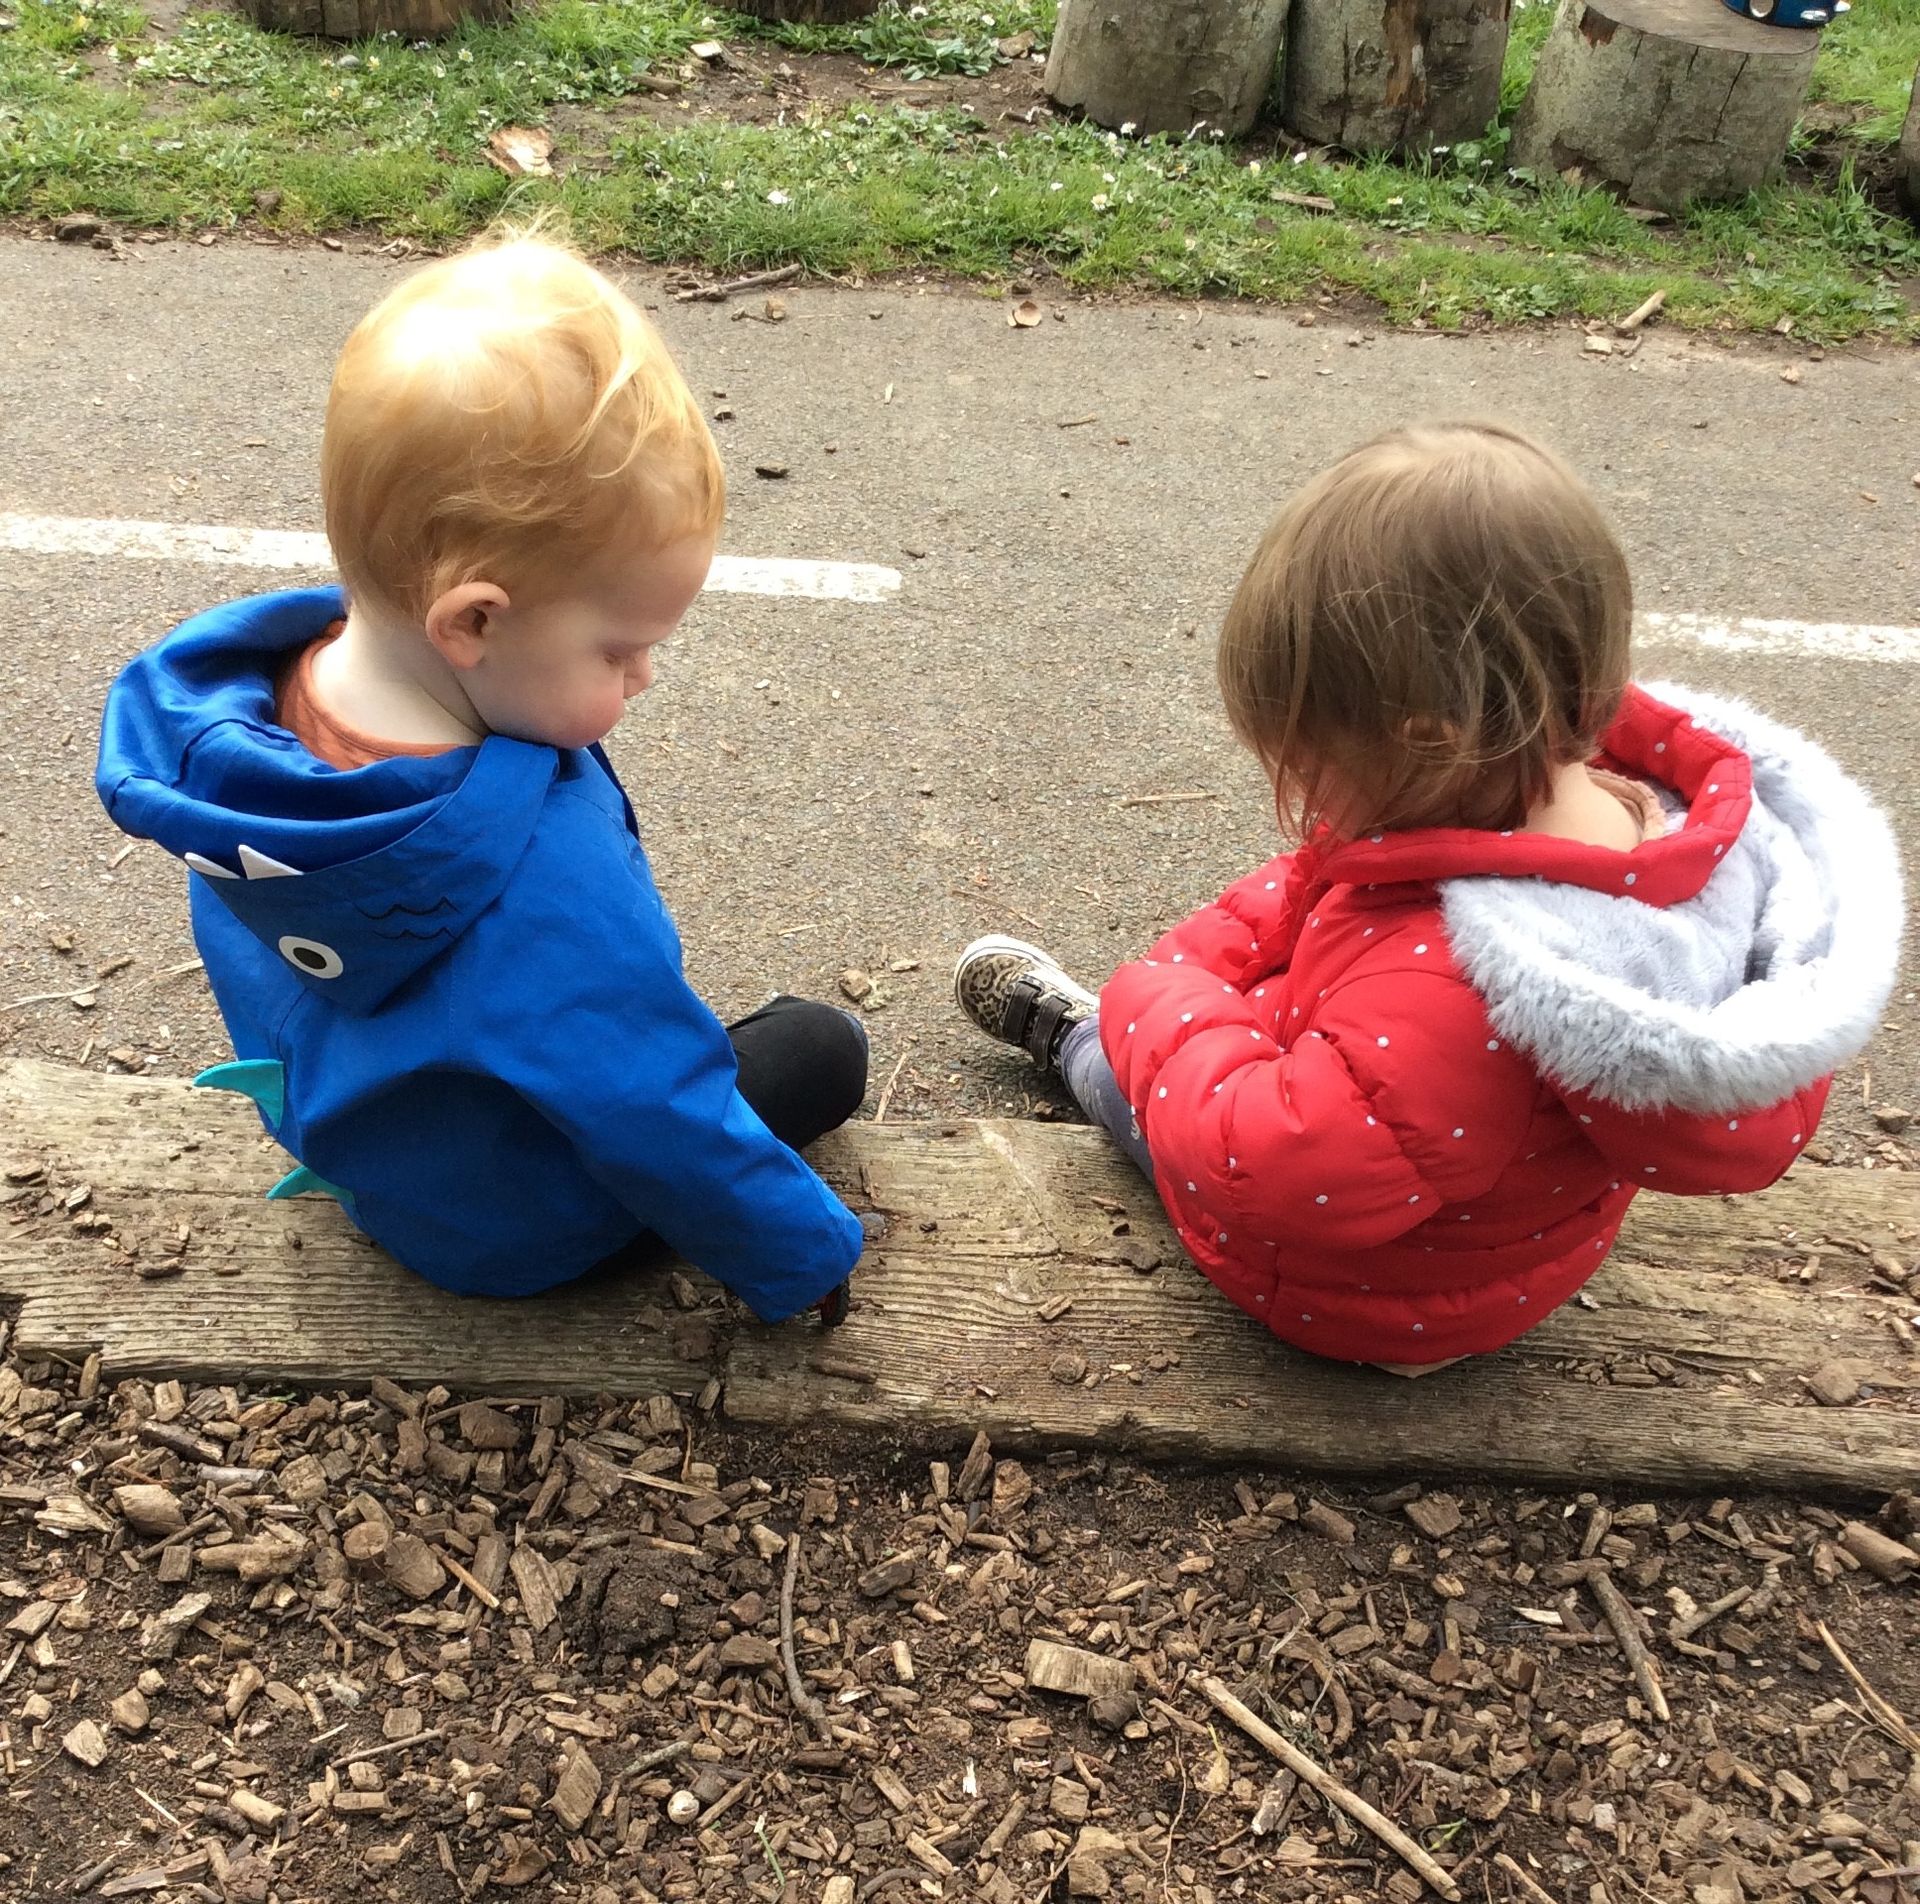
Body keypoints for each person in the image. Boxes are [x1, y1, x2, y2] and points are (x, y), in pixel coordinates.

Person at [955, 422, 1901, 1371]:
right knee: (1251, 1022)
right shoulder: (1654, 829)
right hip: (1512, 1249)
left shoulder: (1451, 987)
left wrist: (1157, 995)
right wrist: (1227, 950)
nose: (1303, 794)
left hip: (1363, 1295)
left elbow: (1265, 1165)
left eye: (1307, 764)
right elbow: (1339, 888)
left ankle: (1072, 1038)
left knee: (1148, 1094)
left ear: (1429, 743)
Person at [97, 229, 868, 1325]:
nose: (645, 675)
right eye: (619, 648)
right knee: (820, 1046)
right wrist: (801, 1258)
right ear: (472, 621)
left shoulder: (238, 734)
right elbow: (653, 1106)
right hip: (516, 1231)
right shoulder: (540, 883)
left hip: (364, 1146)